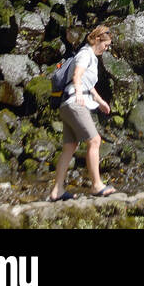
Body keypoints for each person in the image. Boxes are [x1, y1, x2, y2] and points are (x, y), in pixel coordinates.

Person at [49, 24, 115, 200]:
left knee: (70, 147)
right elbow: (78, 75)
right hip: (75, 103)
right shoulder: (86, 54)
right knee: (94, 140)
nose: (106, 49)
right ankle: (96, 185)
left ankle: (57, 190)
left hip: (66, 104)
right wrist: (78, 93)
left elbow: (88, 84)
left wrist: (100, 101)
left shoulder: (89, 56)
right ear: (98, 40)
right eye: (106, 45)